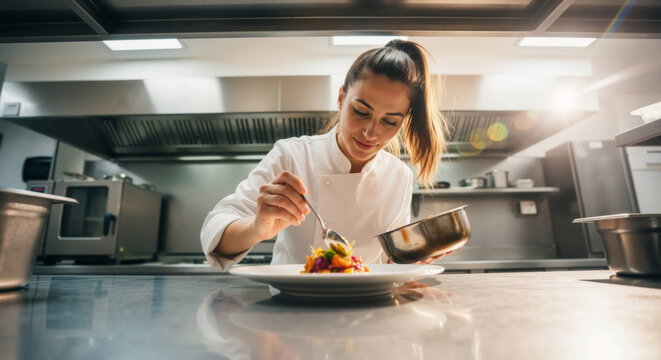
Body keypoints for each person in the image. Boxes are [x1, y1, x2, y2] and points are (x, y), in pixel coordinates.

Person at [201, 39, 451, 272]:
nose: (370, 132)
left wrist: (416, 253)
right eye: (361, 112)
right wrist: (258, 227)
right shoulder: (292, 156)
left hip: (368, 308)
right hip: (295, 305)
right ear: (341, 98)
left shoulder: (398, 176)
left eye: (389, 121)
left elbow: (389, 263)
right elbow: (215, 233)